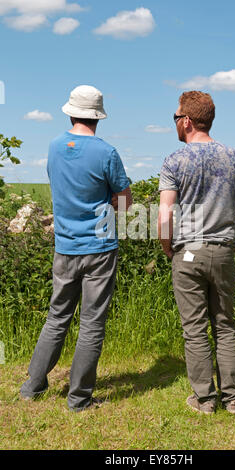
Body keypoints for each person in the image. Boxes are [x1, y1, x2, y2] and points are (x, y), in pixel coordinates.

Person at [20, 85, 132, 412]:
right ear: (98, 116)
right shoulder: (107, 152)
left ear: (70, 112)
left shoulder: (54, 147)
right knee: (92, 323)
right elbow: (125, 202)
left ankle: (33, 385)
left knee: (57, 316)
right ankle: (79, 399)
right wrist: (112, 202)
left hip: (64, 246)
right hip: (99, 247)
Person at [158, 91, 235, 416]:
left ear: (186, 121)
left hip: (187, 252)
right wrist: (233, 241)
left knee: (195, 327)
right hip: (224, 251)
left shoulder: (174, 161)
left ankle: (205, 399)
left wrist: (167, 246)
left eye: (175, 117)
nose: (174, 122)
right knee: (225, 324)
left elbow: (164, 216)